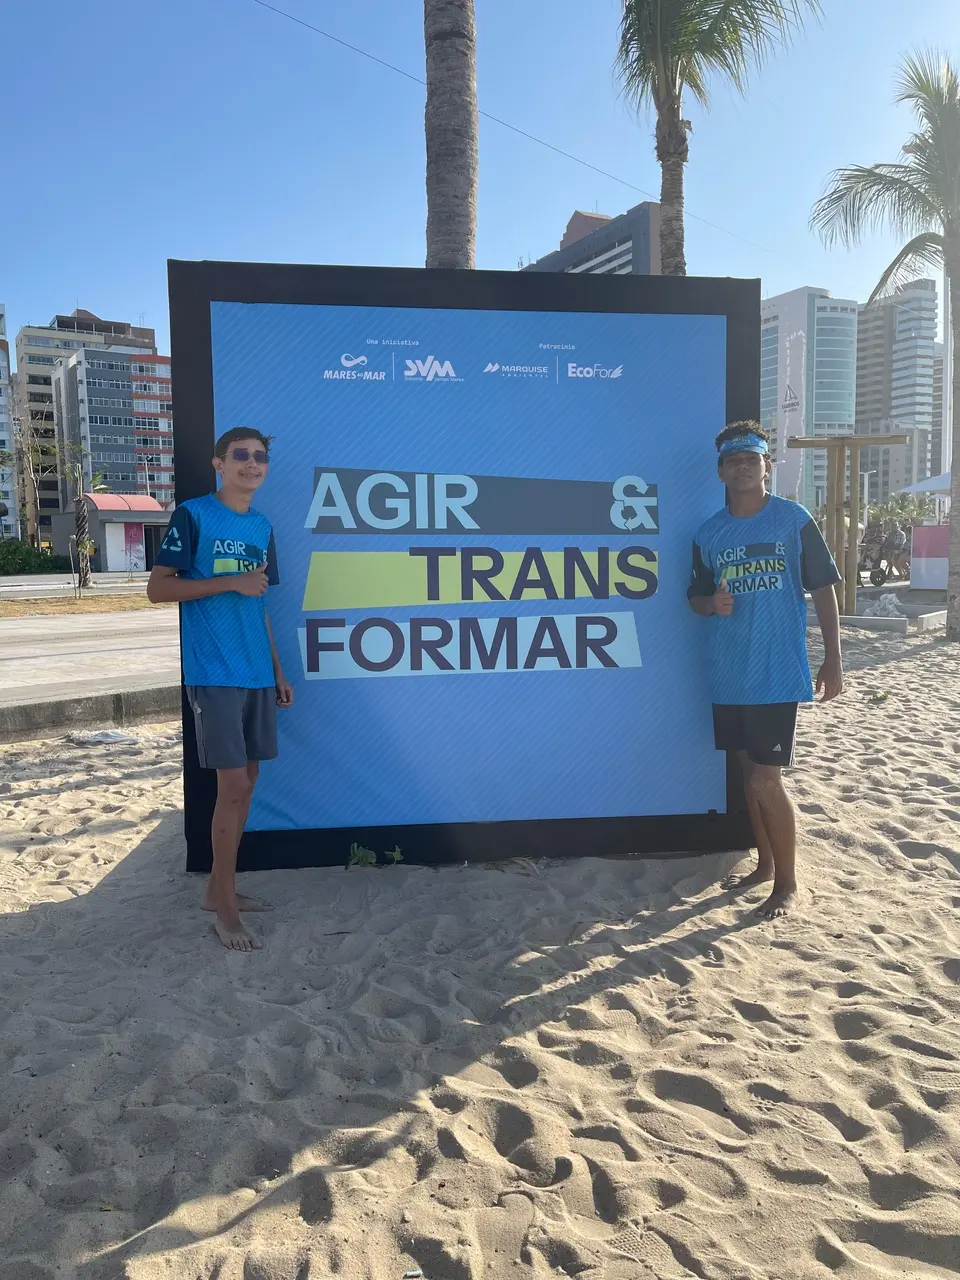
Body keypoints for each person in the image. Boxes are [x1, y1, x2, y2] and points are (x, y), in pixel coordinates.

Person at [688, 422, 844, 919]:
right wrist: (711, 602)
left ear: (766, 467)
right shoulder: (709, 531)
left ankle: (788, 886)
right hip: (729, 671)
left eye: (751, 460)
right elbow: (693, 599)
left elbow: (823, 588)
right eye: (733, 461)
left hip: (776, 671)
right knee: (744, 772)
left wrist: (834, 658)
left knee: (765, 780)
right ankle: (765, 866)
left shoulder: (792, 519)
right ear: (720, 471)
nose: (742, 468)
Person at [147, 427, 293, 952]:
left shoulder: (262, 525)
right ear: (218, 463)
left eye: (260, 457)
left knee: (248, 781)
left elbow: (259, 601)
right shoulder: (194, 514)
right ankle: (224, 907)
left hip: (256, 671)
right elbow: (157, 588)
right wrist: (227, 581)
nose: (251, 464)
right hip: (213, 672)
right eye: (241, 456)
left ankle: (218, 888)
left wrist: (276, 669)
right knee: (232, 786)